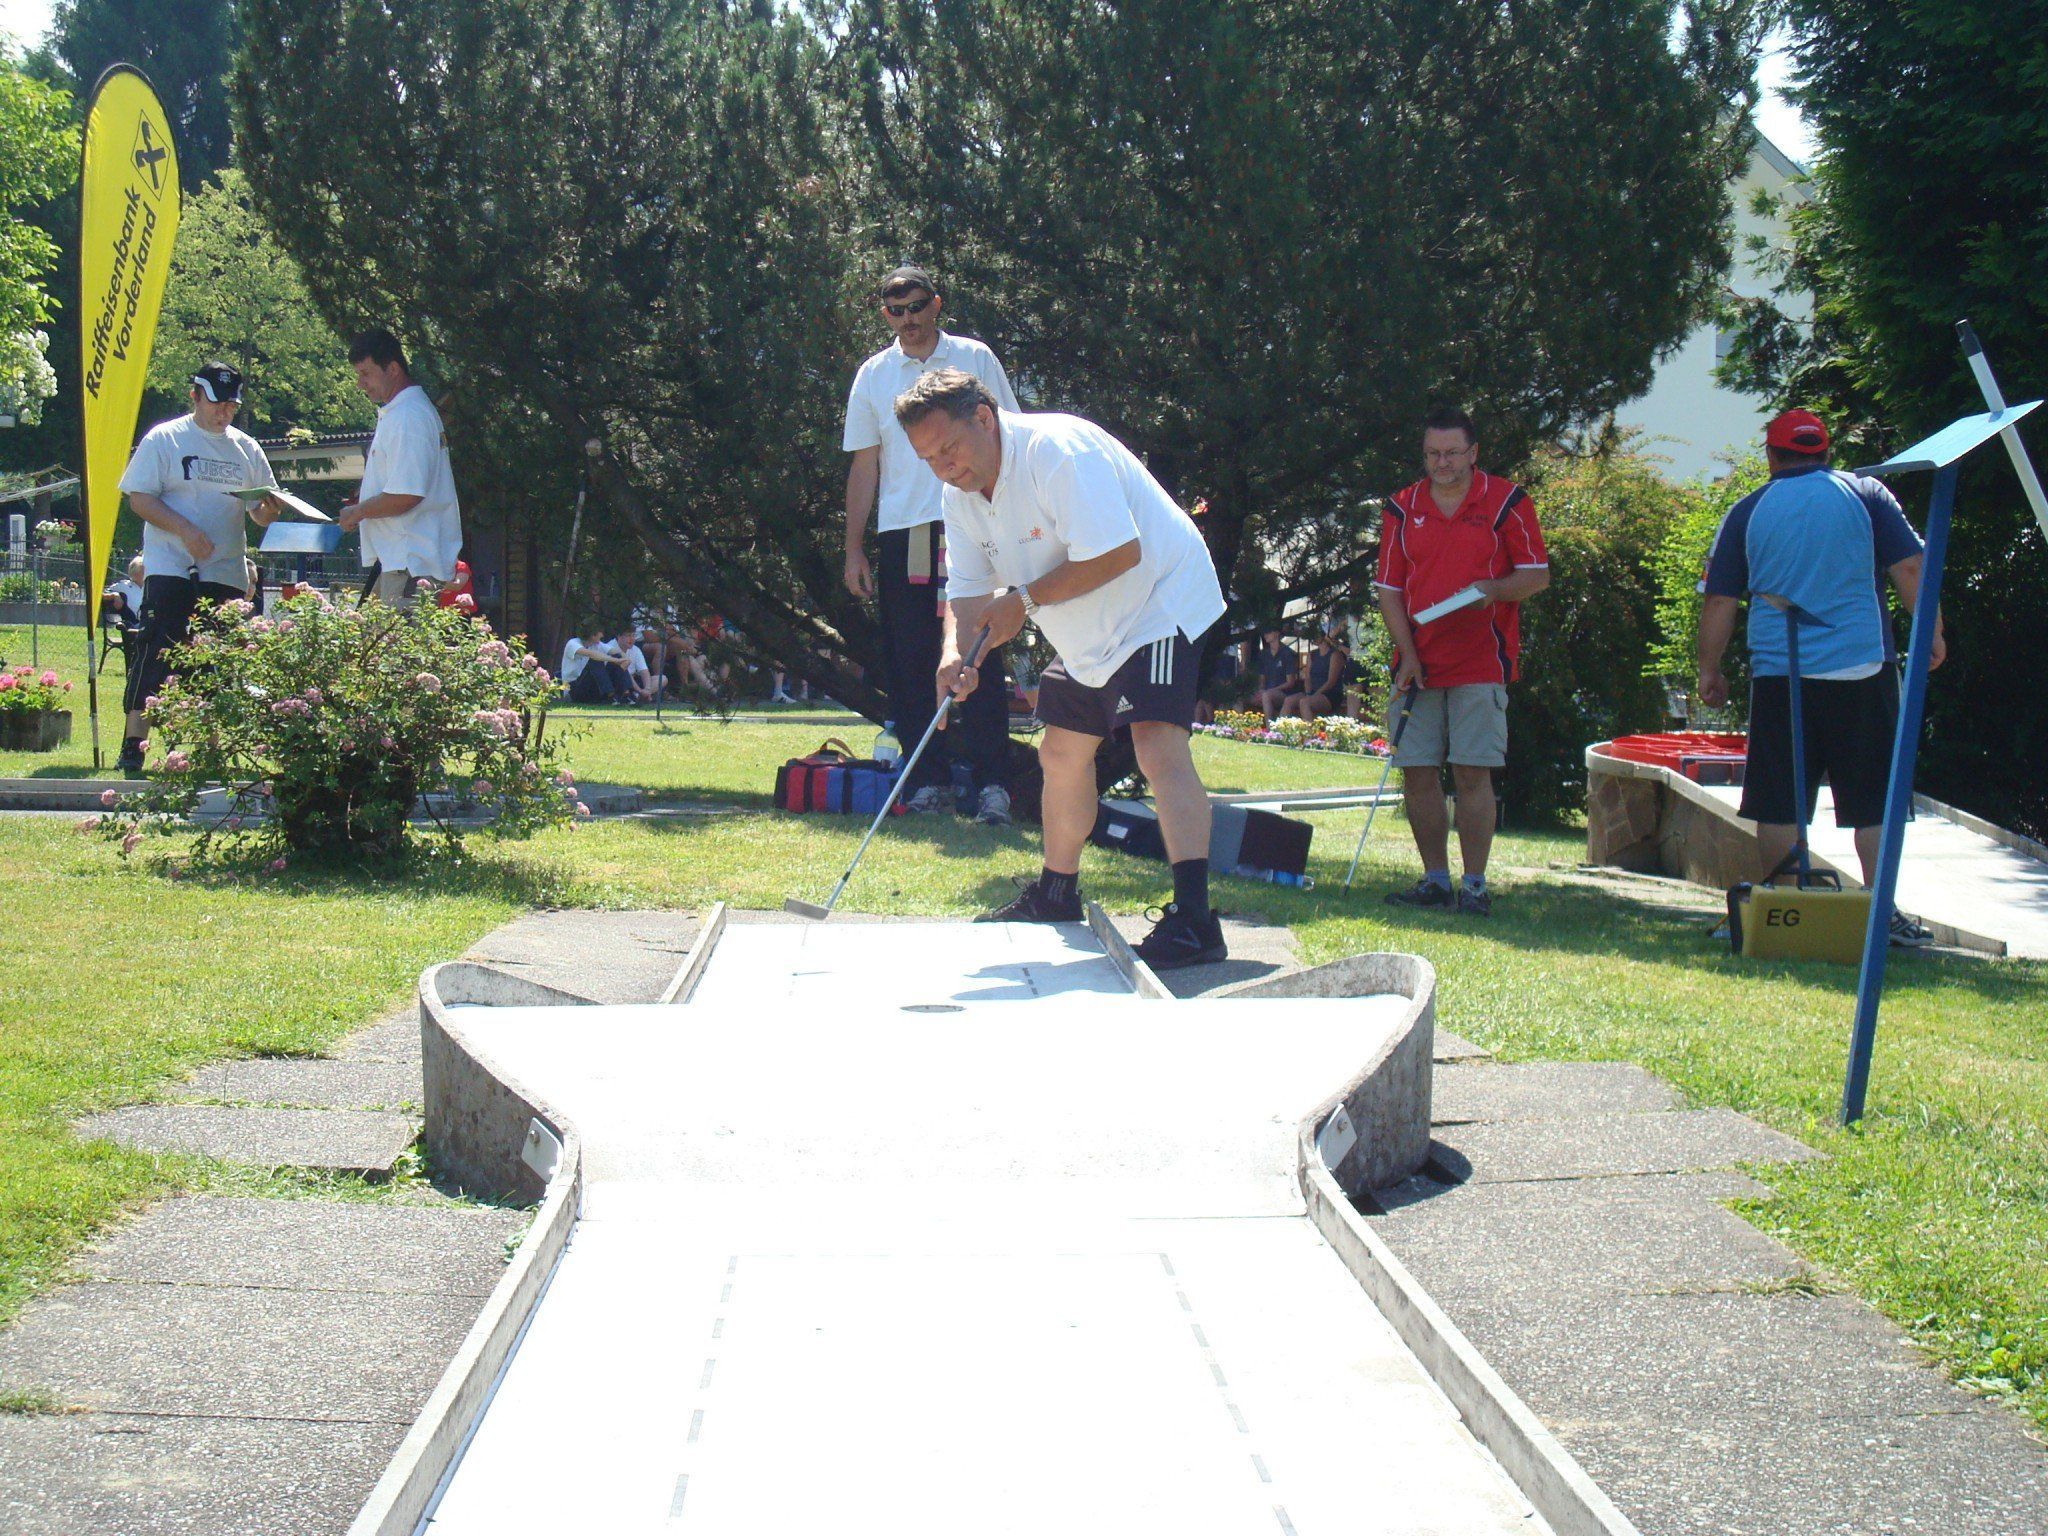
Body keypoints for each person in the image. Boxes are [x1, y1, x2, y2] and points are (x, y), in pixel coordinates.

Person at [898, 368, 1229, 970]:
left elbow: (1120, 552)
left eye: (949, 447)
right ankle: (1056, 893)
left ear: (984, 417)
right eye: (928, 458)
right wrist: (955, 655)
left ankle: (1196, 921)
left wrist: (1023, 601)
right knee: (1060, 753)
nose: (943, 466)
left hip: (1158, 599)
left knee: (1155, 746)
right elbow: (970, 593)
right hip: (1083, 628)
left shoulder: (1056, 451)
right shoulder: (959, 497)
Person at [1696, 409, 1944, 947]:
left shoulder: (1748, 510)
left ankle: (1788, 913)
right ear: (1826, 452)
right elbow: (1910, 569)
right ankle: (1882, 918)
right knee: (1875, 799)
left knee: (1780, 798)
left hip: (1781, 675)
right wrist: (1933, 633)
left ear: (1771, 455)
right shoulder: (1867, 495)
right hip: (1862, 667)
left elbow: (1720, 599)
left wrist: (1709, 669)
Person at [844, 264, 1021, 824]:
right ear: (884, 315)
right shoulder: (873, 374)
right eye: (896, 310)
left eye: (917, 306)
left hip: (973, 522)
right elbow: (864, 465)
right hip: (911, 532)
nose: (908, 319)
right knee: (914, 656)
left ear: (936, 304)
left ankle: (994, 783)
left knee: (981, 648)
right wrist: (853, 547)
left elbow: (1013, 437)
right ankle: (929, 782)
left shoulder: (974, 358)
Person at [1373, 406, 1550, 915]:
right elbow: (1389, 590)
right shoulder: (1401, 507)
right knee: (1418, 771)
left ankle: (1474, 886)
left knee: (1474, 773)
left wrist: (1492, 590)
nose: (1442, 462)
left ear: (1473, 453)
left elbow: (1536, 574)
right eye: (1432, 453)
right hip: (1417, 663)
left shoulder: (1507, 500)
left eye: (1452, 453)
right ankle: (1434, 880)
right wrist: (1406, 653)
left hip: (1481, 659)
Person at [114, 363, 284, 772]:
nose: (222, 413)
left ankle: (211, 750)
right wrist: (184, 529)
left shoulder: (246, 448)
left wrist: (268, 510)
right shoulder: (166, 438)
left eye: (230, 405)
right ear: (195, 396)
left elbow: (260, 513)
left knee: (217, 660)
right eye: (215, 403)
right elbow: (139, 498)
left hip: (224, 569)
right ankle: (134, 745)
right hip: (171, 565)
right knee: (156, 650)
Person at [339, 329, 462, 607]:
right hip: (402, 562)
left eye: (366, 373)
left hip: (410, 565)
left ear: (392, 369)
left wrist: (358, 512)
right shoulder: (402, 412)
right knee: (380, 648)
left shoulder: (409, 415)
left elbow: (407, 495)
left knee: (398, 651)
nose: (360, 383)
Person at [1284, 619, 1351, 720]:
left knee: (1304, 703)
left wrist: (1314, 695)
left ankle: (1310, 734)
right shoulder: (1312, 654)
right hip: (1312, 692)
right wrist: (1308, 693)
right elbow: (1308, 677)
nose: (1313, 638)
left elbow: (1331, 682)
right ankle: (1277, 731)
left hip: (1329, 694)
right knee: (1288, 700)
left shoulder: (1334, 654)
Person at [561, 625, 621, 705]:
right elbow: (591, 654)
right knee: (595, 660)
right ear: (593, 635)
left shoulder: (596, 644)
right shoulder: (573, 643)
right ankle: (610, 696)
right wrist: (615, 660)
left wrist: (625, 659)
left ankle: (625, 695)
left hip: (588, 687)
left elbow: (615, 651)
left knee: (617, 656)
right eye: (600, 632)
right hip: (572, 688)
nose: (602, 635)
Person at [1254, 629, 1300, 720]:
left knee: (1266, 696)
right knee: (1242, 698)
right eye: (1264, 632)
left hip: (1283, 694)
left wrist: (1271, 690)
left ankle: (1270, 730)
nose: (1265, 634)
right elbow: (1261, 679)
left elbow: (1290, 682)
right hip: (1266, 691)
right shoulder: (1263, 654)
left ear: (1277, 633)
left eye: (1268, 631)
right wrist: (1260, 690)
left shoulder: (1287, 653)